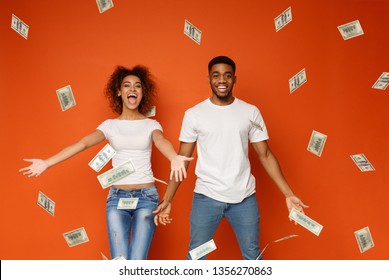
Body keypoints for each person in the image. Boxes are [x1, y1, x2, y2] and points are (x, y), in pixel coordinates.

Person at [19, 65, 192, 260]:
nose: (132, 89)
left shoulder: (151, 125)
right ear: (119, 92)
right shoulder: (109, 126)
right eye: (127, 85)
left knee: (137, 263)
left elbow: (161, 141)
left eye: (137, 86)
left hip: (146, 198)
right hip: (117, 198)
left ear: (143, 93)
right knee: (119, 262)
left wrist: (174, 157)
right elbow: (82, 144)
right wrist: (47, 163)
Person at [154, 56, 308, 260]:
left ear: (234, 79)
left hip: (244, 198)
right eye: (216, 75)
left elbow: (265, 154)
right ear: (208, 79)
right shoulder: (194, 114)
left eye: (227, 76)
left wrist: (288, 194)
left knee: (253, 257)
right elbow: (182, 159)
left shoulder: (250, 112)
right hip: (206, 197)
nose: (222, 80)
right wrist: (168, 198)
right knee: (196, 257)